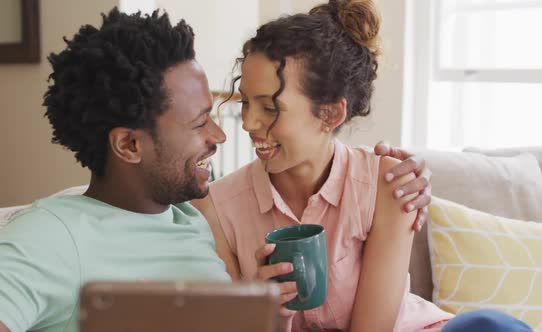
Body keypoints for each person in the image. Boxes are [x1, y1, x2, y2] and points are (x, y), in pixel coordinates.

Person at [0, 7, 432, 332]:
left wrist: (260, 312)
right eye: (202, 122)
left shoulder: (196, 222)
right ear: (128, 144)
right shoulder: (50, 236)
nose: (226, 135)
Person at [191, 1, 534, 332]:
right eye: (246, 102)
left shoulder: (389, 184)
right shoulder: (217, 207)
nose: (248, 123)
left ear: (330, 114)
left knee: (490, 326)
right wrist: (263, 314)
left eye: (269, 107)